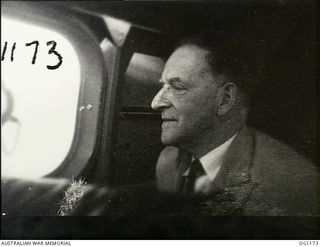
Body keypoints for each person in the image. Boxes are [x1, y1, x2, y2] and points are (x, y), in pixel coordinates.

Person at [150, 35, 319, 216]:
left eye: (177, 87)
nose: (155, 103)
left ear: (225, 99)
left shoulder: (291, 183)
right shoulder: (167, 161)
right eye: (163, 86)